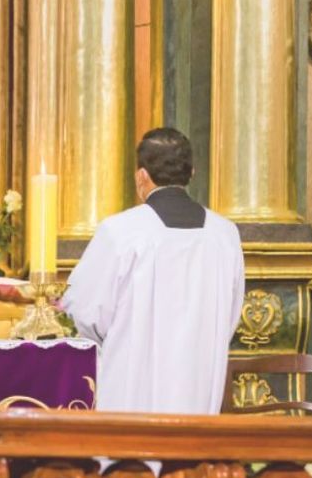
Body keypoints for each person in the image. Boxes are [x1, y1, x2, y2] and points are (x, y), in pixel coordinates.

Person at [62, 128, 245, 413]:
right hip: (199, 378)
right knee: (188, 454)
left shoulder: (121, 230)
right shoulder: (225, 234)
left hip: (132, 382)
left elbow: (87, 311)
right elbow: (230, 315)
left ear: (141, 176)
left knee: (131, 454)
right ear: (192, 173)